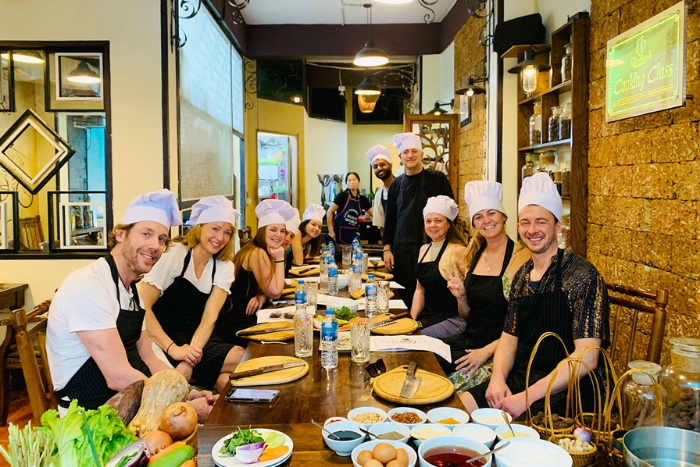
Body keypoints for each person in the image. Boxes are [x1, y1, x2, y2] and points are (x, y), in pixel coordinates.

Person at [46, 190, 216, 417]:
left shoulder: (131, 290)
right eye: (146, 233)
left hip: (131, 402)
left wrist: (186, 392)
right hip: (92, 417)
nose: (155, 245)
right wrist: (179, 407)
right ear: (120, 234)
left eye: (161, 239)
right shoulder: (88, 286)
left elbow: (149, 357)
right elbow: (117, 375)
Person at [460, 173, 610, 419]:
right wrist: (497, 380)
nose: (532, 230)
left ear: (558, 226)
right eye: (525, 223)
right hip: (523, 376)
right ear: (518, 227)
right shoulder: (522, 276)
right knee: (456, 411)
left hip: (568, 390)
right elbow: (509, 339)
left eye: (541, 222)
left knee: (494, 430)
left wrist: (526, 398)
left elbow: (588, 358)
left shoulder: (582, 275)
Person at [140, 196, 243, 393]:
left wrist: (189, 362)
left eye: (227, 232)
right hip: (163, 338)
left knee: (230, 379)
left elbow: (209, 318)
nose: (220, 237)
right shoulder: (174, 254)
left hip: (198, 339)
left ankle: (201, 379)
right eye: (215, 228)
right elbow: (143, 307)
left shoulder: (224, 266)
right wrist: (174, 350)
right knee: (240, 359)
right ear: (199, 227)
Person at [441, 181, 530, 393]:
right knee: (424, 361)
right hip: (468, 340)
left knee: (446, 389)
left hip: (499, 351)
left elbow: (525, 325)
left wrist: (486, 352)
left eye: (491, 213)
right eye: (479, 217)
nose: (486, 221)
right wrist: (461, 298)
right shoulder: (474, 255)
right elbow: (468, 317)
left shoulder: (521, 257)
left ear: (504, 216)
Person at [383, 132, 454, 309]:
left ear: (421, 154)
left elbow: (451, 214)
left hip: (431, 246)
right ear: (400, 157)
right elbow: (390, 218)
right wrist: (387, 249)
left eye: (414, 151)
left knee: (429, 294)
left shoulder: (436, 178)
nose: (410, 155)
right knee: (404, 294)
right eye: (406, 152)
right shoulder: (396, 184)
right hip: (401, 250)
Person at [214, 199, 296, 345]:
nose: (279, 235)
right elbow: (276, 292)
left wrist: (262, 296)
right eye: (273, 229)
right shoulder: (257, 253)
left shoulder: (265, 249)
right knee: (291, 333)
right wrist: (279, 259)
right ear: (262, 230)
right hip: (236, 322)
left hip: (250, 315)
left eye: (282, 231)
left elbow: (277, 285)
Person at [410, 196, 467, 339]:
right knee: (404, 334)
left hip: (453, 319)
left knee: (413, 339)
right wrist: (410, 320)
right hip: (429, 317)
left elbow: (472, 292)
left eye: (438, 220)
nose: (432, 225)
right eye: (428, 221)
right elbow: (419, 290)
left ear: (449, 223)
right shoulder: (424, 249)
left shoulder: (458, 250)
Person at [326, 172, 373, 244]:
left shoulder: (363, 199)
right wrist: (331, 231)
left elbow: (374, 213)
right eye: (349, 180)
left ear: (358, 182)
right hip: (340, 233)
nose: (352, 182)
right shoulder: (342, 196)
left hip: (354, 233)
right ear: (346, 183)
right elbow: (329, 212)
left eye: (354, 180)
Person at [366, 145, 395, 236]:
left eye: (382, 164)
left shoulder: (403, 186)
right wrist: (386, 247)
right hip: (392, 242)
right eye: (375, 166)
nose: (379, 168)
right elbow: (382, 225)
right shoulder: (379, 194)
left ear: (390, 165)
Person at [283, 208, 301, 273]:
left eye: (291, 236)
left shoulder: (282, 253)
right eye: (285, 233)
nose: (288, 239)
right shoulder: (261, 253)